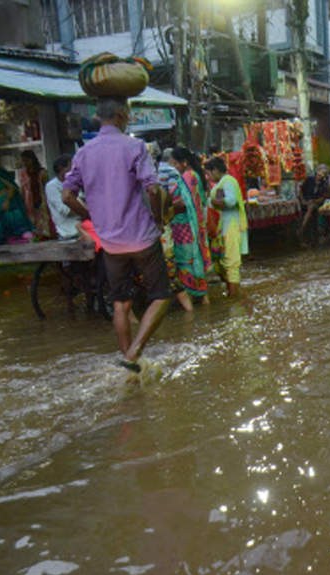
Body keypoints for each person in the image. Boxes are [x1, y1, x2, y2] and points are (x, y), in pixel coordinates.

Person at [61, 96, 171, 372]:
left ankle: (127, 363)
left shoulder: (84, 152)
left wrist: (91, 216)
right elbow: (154, 189)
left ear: (98, 118)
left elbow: (67, 196)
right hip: (142, 236)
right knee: (161, 295)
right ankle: (133, 354)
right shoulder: (135, 147)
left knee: (120, 302)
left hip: (110, 242)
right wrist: (158, 218)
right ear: (122, 116)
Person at [163, 147, 212, 311]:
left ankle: (197, 298)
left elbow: (185, 202)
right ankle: (203, 299)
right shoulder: (195, 176)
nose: (174, 167)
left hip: (185, 227)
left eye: (176, 163)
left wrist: (168, 204)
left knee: (187, 261)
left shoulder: (187, 177)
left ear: (184, 162)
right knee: (193, 259)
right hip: (190, 227)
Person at [205, 156, 248, 297]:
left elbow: (230, 201)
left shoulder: (228, 182)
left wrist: (213, 200)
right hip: (224, 225)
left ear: (215, 170)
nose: (208, 177)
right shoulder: (222, 183)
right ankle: (233, 291)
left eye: (209, 173)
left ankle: (233, 297)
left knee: (231, 262)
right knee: (220, 261)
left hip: (232, 225)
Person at [18, 150, 55, 238]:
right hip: (28, 203)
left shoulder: (42, 173)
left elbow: (47, 187)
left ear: (32, 159)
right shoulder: (23, 173)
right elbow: (22, 188)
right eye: (23, 160)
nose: (25, 163)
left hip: (41, 201)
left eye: (26, 160)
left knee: (43, 221)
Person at [44, 154, 82, 240]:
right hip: (68, 234)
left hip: (82, 231)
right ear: (62, 169)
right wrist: (86, 211)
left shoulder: (74, 184)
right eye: (70, 167)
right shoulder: (52, 186)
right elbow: (65, 210)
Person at [299, 164, 330, 245]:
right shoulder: (309, 179)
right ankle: (303, 229)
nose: (322, 175)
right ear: (317, 172)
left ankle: (302, 228)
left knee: (311, 207)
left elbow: (323, 197)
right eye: (321, 173)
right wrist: (303, 200)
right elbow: (301, 191)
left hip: (316, 203)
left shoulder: (324, 183)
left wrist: (314, 200)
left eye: (324, 173)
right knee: (309, 207)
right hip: (306, 201)